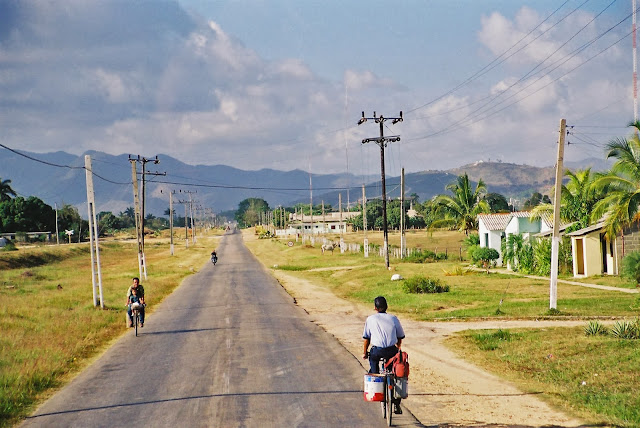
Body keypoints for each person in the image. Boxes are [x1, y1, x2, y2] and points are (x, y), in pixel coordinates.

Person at [362, 296, 405, 414]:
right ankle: (396, 403)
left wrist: (365, 353)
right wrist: (397, 348)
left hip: (377, 351)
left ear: (375, 308)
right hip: (392, 351)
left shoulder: (370, 319)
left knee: (373, 366)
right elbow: (400, 337)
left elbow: (367, 339)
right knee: (395, 374)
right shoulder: (393, 318)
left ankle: (375, 382)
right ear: (387, 307)